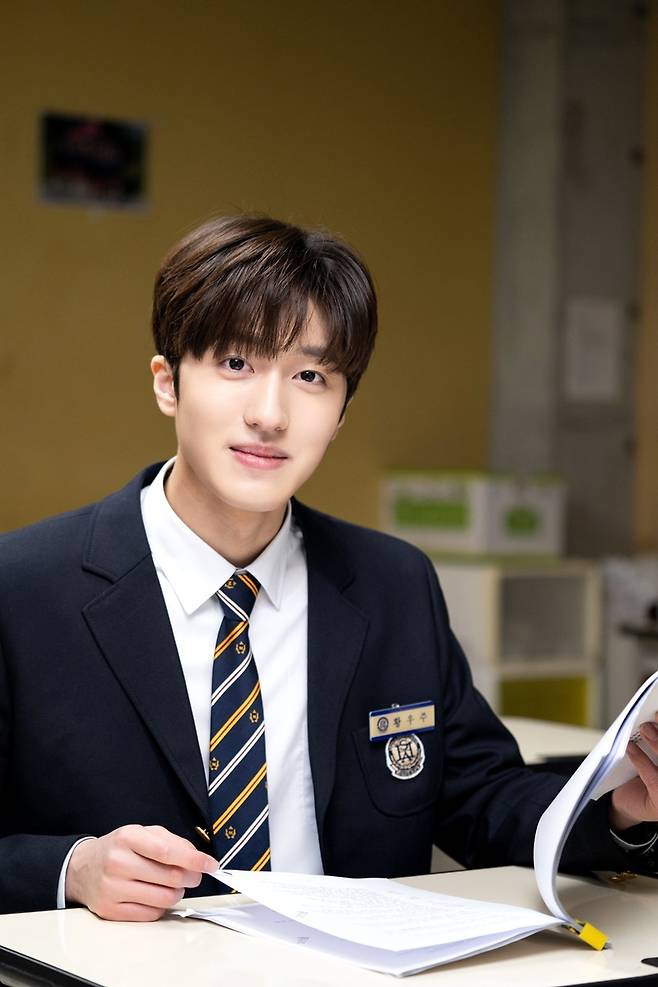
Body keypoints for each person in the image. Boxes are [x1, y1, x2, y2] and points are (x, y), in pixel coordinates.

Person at [1, 215, 657, 921]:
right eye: (235, 364)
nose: (270, 414)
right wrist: (72, 868)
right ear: (168, 383)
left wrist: (622, 809)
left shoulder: (393, 583)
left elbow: (481, 795)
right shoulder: (24, 586)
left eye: (310, 376)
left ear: (341, 412)